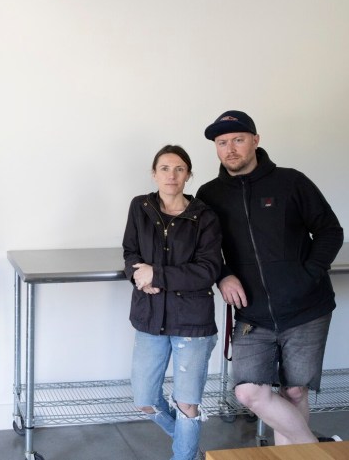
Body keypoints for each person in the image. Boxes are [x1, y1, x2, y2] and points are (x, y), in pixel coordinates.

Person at [196, 110, 344, 446]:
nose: (230, 148)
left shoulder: (291, 182)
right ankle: (316, 449)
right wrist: (222, 275)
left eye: (238, 139)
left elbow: (329, 230)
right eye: (222, 142)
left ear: (255, 141)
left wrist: (309, 274)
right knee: (250, 392)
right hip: (252, 315)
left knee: (294, 391)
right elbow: (201, 248)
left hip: (307, 308)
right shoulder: (209, 195)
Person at [123, 144, 222, 460]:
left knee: (187, 403)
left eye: (179, 168)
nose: (172, 174)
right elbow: (130, 253)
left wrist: (157, 275)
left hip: (192, 321)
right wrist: (139, 275)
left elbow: (207, 270)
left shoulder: (204, 216)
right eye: (165, 168)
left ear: (189, 175)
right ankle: (189, 447)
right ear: (154, 174)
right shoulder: (140, 207)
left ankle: (185, 455)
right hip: (150, 317)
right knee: (145, 400)